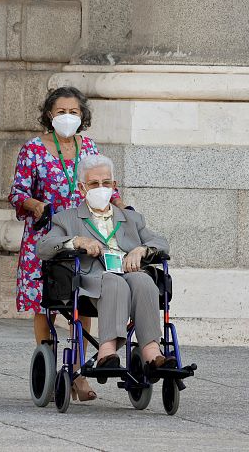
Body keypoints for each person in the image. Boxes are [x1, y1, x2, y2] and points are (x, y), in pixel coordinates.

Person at [8, 86, 124, 402]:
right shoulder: (33, 149)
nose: (68, 117)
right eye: (61, 111)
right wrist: (34, 205)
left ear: (82, 116)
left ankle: (77, 375)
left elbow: (108, 189)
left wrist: (124, 213)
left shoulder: (90, 148)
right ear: (49, 114)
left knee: (82, 298)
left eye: (73, 111)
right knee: (47, 305)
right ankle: (47, 366)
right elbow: (17, 193)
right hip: (46, 237)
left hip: (87, 236)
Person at [37, 154, 177, 375]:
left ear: (114, 186)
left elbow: (160, 242)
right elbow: (43, 246)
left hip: (128, 272)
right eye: (94, 184)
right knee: (114, 281)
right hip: (91, 282)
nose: (101, 188)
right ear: (82, 189)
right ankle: (107, 351)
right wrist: (77, 241)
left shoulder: (132, 219)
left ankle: (152, 351)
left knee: (143, 280)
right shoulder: (66, 219)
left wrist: (141, 250)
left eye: (106, 183)